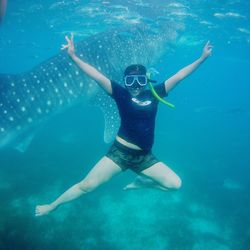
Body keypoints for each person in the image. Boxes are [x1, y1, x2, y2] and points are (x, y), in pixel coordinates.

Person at [35, 34, 212, 217]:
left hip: (144, 157)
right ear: (125, 82)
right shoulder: (120, 93)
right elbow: (95, 75)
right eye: (130, 81)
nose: (135, 85)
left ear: (146, 81)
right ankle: (52, 206)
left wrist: (202, 58)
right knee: (87, 186)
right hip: (119, 154)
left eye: (140, 81)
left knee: (175, 184)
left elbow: (180, 75)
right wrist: (73, 56)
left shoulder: (155, 93)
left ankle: (141, 183)